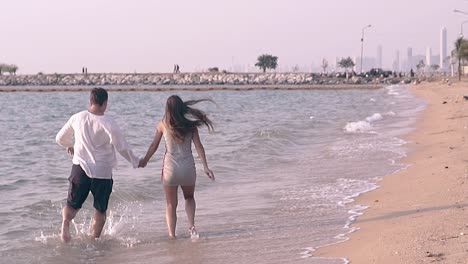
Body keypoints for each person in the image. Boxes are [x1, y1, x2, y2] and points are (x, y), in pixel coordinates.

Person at [56, 87, 140, 242]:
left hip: (79, 168)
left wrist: (70, 145)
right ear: (105, 103)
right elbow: (121, 146)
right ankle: (94, 241)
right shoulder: (109, 122)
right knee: (100, 210)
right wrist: (135, 161)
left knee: (72, 205)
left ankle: (65, 223)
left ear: (91, 101)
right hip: (102, 172)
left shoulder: (77, 117)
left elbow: (60, 138)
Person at [139, 95, 214, 239]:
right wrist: (205, 166)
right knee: (189, 198)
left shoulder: (162, 124)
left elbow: (154, 145)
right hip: (188, 169)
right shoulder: (191, 127)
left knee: (170, 205)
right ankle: (191, 227)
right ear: (182, 108)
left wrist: (145, 160)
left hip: (170, 170)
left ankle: (172, 236)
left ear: (168, 108)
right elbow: (199, 147)